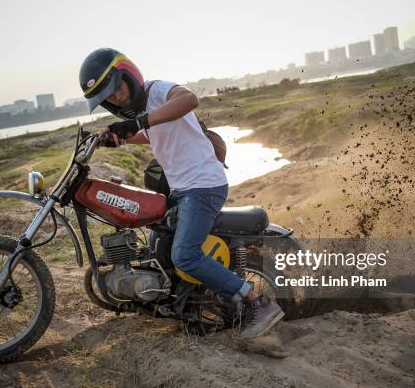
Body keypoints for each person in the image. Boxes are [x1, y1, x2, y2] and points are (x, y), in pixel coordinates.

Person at [79, 47, 284, 338]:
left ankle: (257, 302)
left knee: (185, 255)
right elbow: (154, 133)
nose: (115, 98)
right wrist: (119, 139)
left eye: (116, 89)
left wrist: (138, 122)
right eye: (107, 98)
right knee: (157, 244)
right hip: (182, 188)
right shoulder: (142, 111)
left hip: (203, 186)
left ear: (128, 75)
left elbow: (189, 99)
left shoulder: (158, 91)